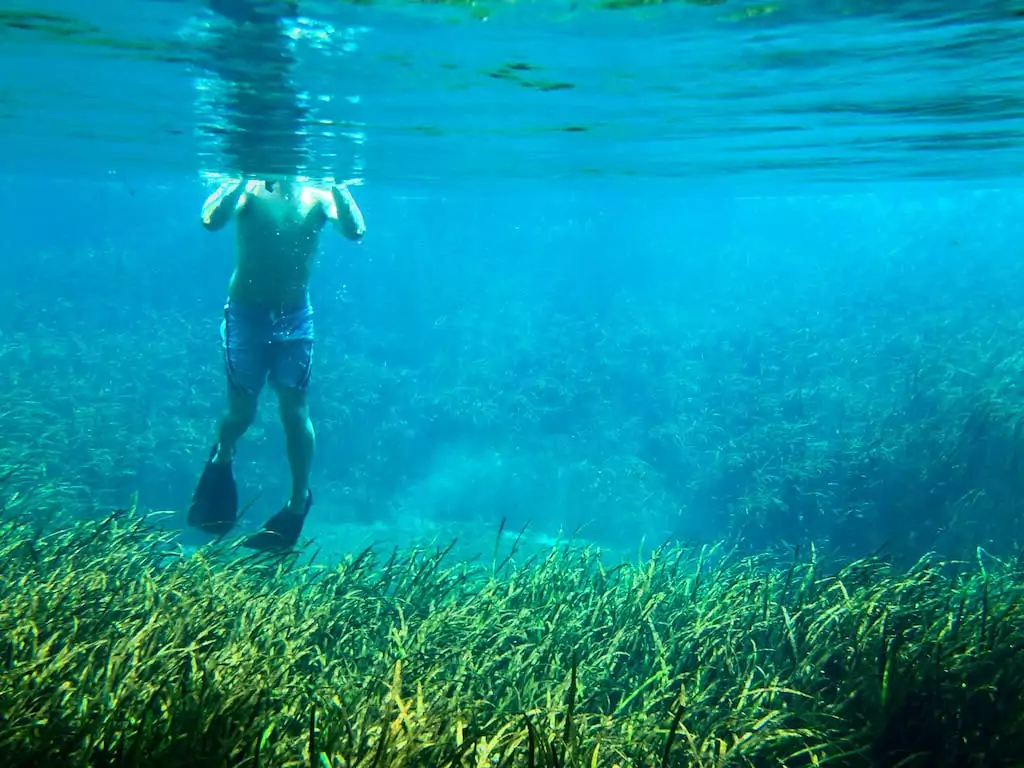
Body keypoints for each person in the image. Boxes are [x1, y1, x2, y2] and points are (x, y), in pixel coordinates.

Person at [188, 177, 365, 551]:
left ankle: (298, 502)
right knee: (241, 412)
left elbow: (355, 232)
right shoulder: (247, 191)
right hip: (246, 314)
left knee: (294, 412)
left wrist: (338, 184)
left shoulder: (319, 194)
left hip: (294, 316)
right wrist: (239, 175)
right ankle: (221, 457)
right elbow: (210, 220)